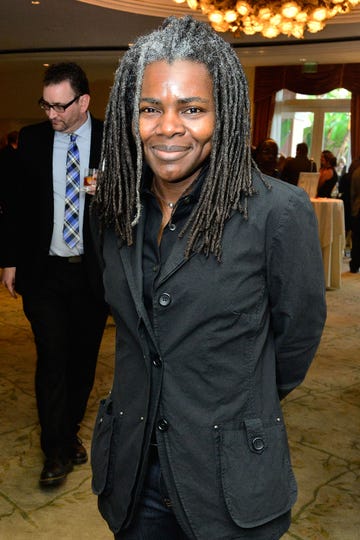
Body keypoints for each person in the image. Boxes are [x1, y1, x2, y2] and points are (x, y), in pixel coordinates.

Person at [90, 16, 326, 540]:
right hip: (132, 473)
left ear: (225, 116)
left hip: (230, 477)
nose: (168, 127)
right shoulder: (112, 209)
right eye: (150, 108)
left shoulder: (277, 213)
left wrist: (243, 401)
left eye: (192, 109)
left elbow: (296, 338)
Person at [0, 62, 108, 487]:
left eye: (60, 106)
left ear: (83, 101)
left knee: (82, 364)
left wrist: (111, 192)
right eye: (46, 104)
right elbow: (11, 207)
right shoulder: (30, 140)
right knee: (52, 360)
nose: (52, 114)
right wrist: (8, 260)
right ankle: (56, 451)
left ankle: (67, 433)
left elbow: (141, 199)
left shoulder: (112, 140)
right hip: (44, 272)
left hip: (93, 276)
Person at [349, 160, 360, 273]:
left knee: (356, 238)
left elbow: (353, 193)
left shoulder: (356, 172)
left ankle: (355, 264)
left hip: (358, 208)